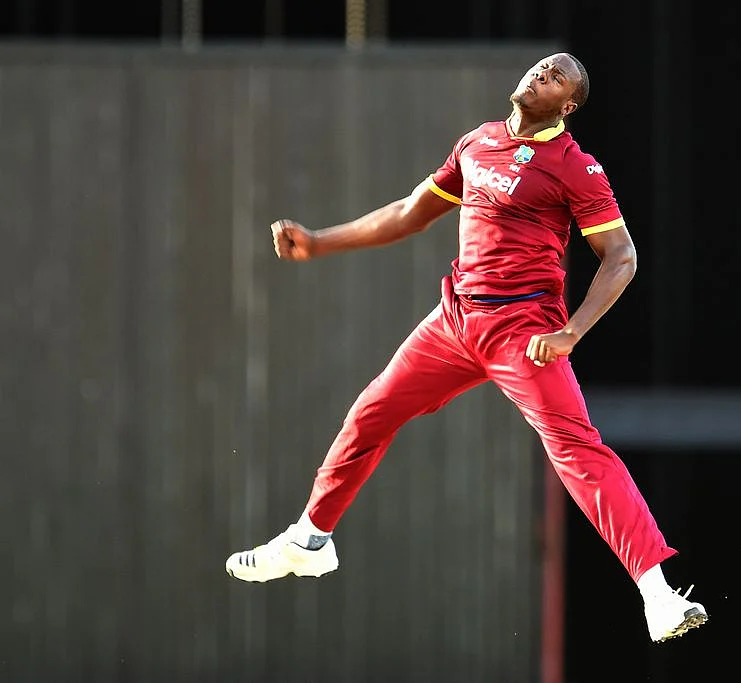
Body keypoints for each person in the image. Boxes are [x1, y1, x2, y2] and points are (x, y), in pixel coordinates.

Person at [225, 53, 708, 642]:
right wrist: (319, 243)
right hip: (454, 321)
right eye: (541, 68)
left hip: (522, 331)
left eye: (557, 77)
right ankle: (309, 541)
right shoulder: (478, 141)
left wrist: (571, 332)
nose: (540, 75)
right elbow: (410, 214)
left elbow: (622, 257)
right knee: (371, 413)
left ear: (568, 105)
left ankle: (658, 596)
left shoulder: (576, 168)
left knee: (576, 449)